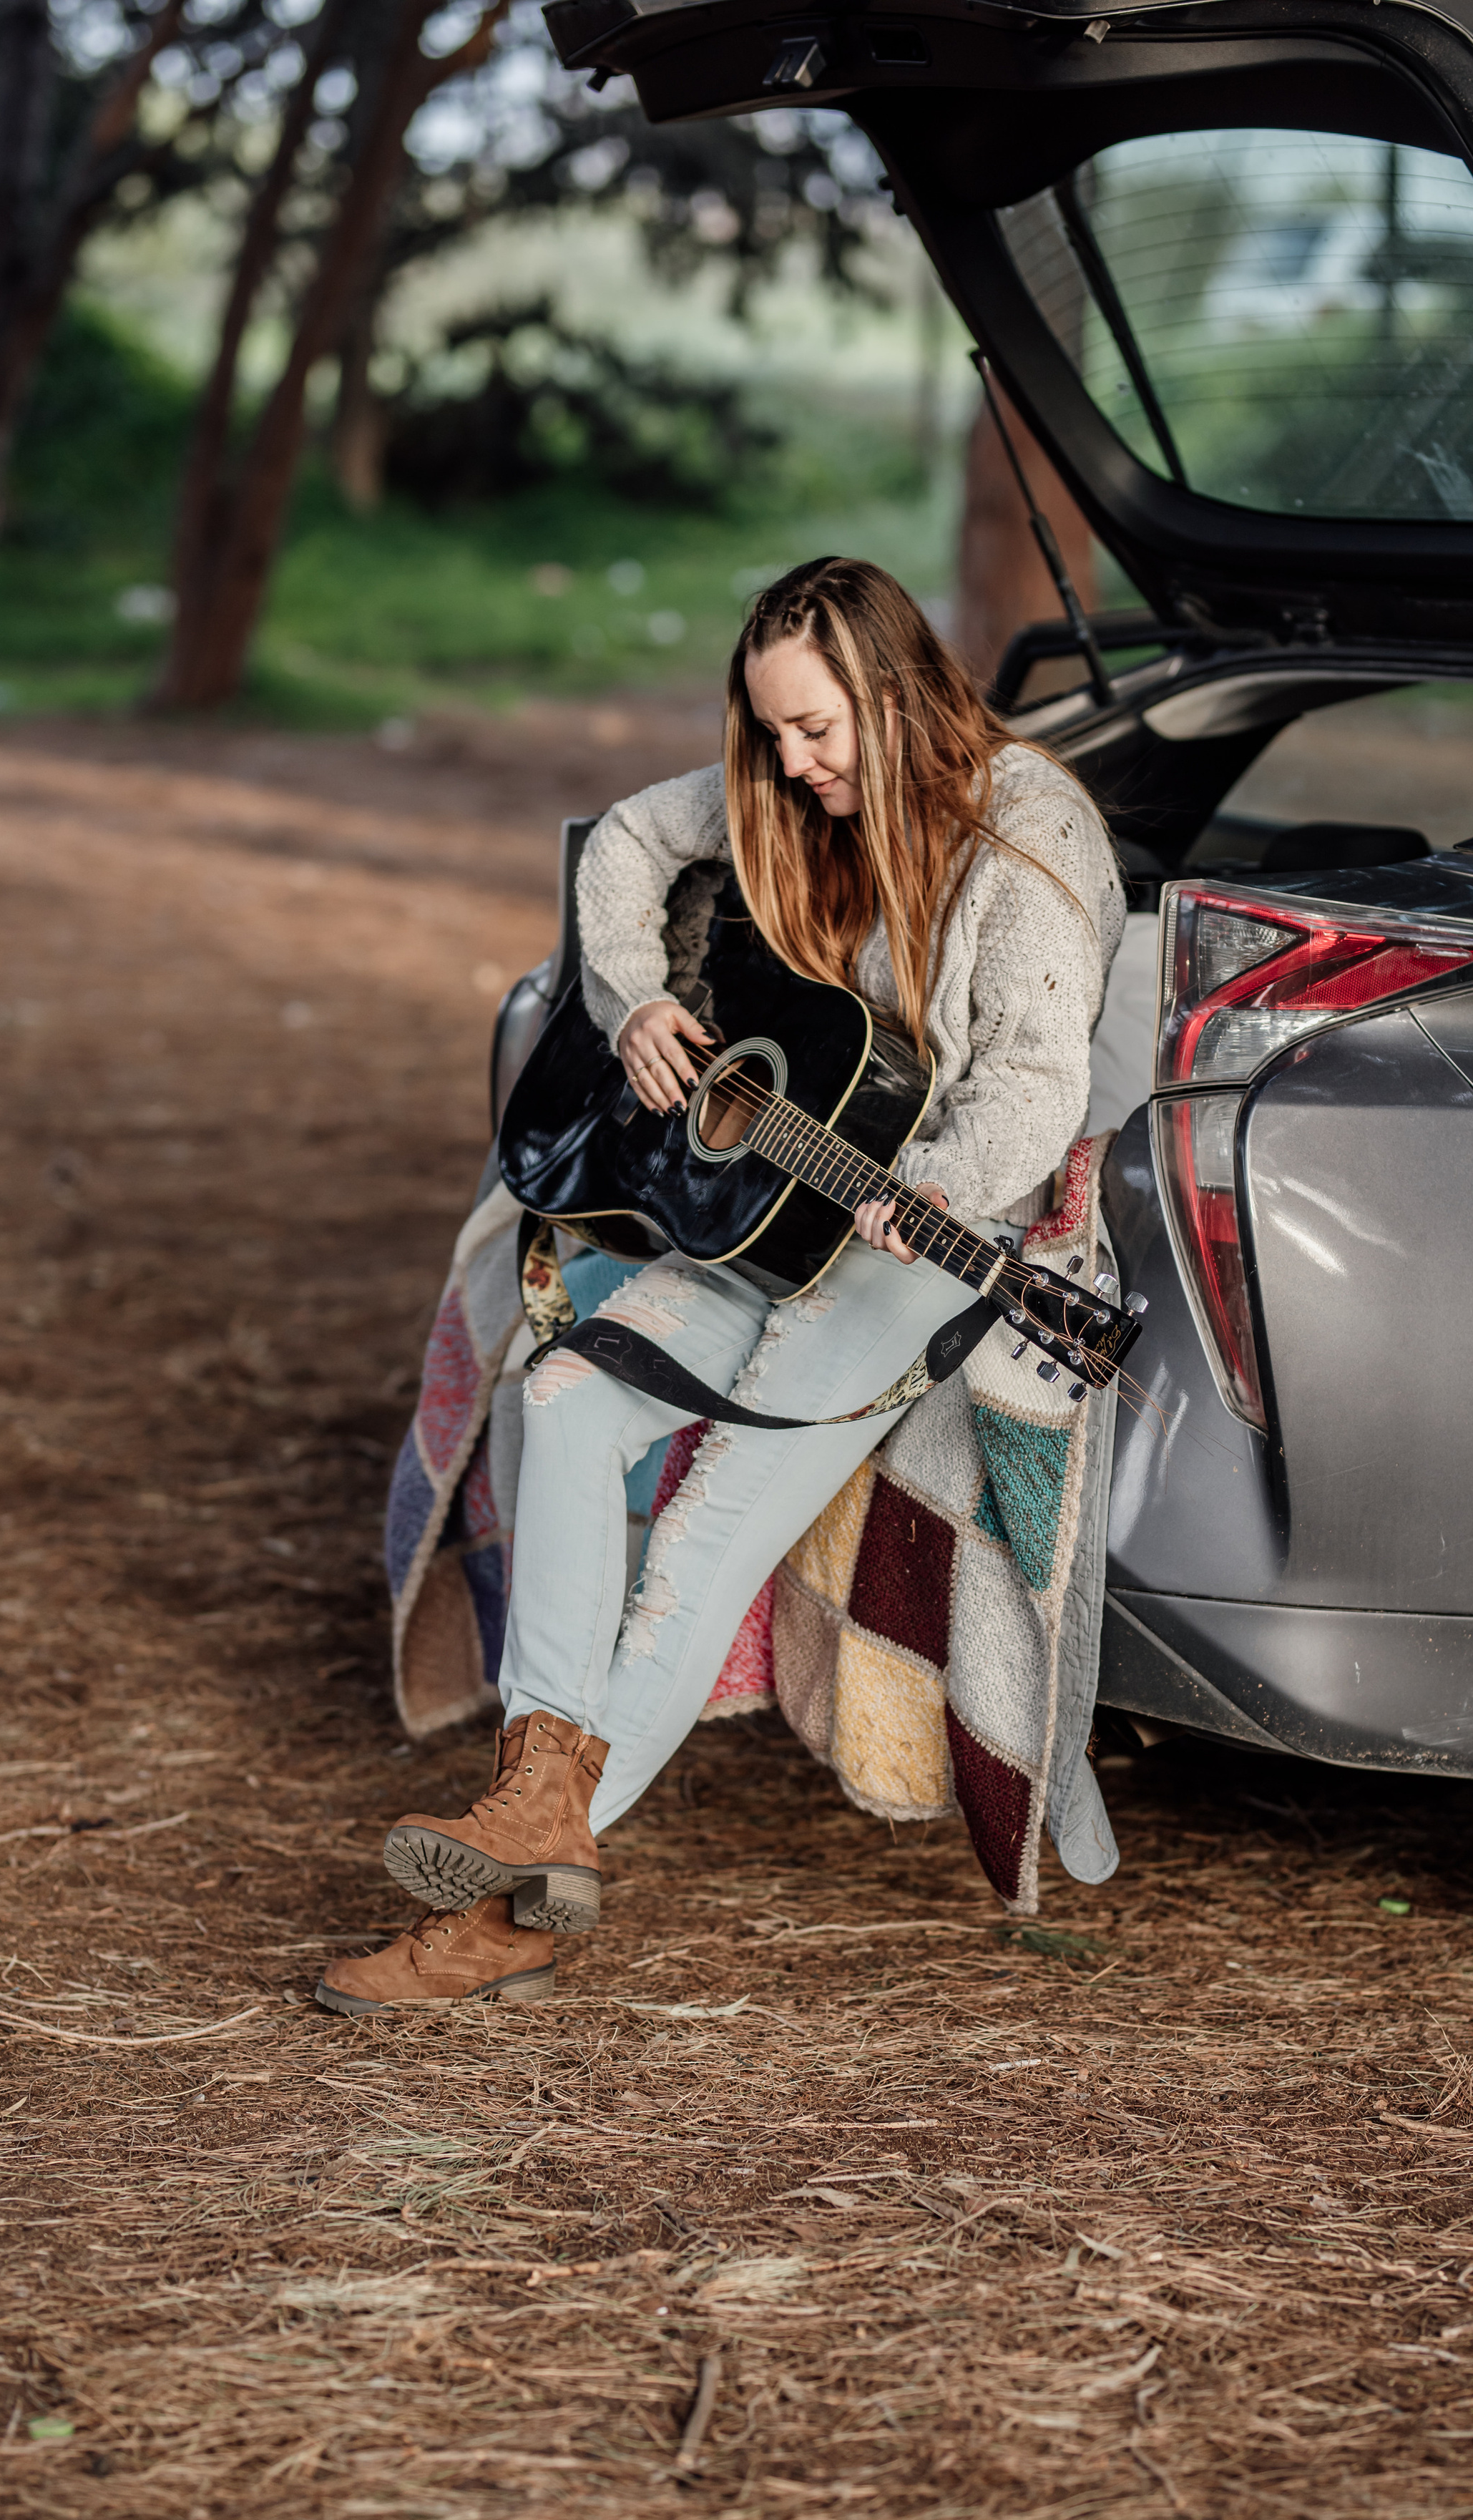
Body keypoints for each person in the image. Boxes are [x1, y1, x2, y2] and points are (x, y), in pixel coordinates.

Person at [318, 557, 1125, 2018]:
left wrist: (939, 1188)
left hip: (918, 1240)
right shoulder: (786, 782)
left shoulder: (1026, 835)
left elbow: (1029, 1081)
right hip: (774, 1211)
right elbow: (628, 837)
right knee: (565, 1394)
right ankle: (539, 1810)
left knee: (708, 1527)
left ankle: (499, 1908)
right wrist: (634, 997)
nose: (792, 763)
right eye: (772, 732)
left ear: (892, 691)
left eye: (817, 728)